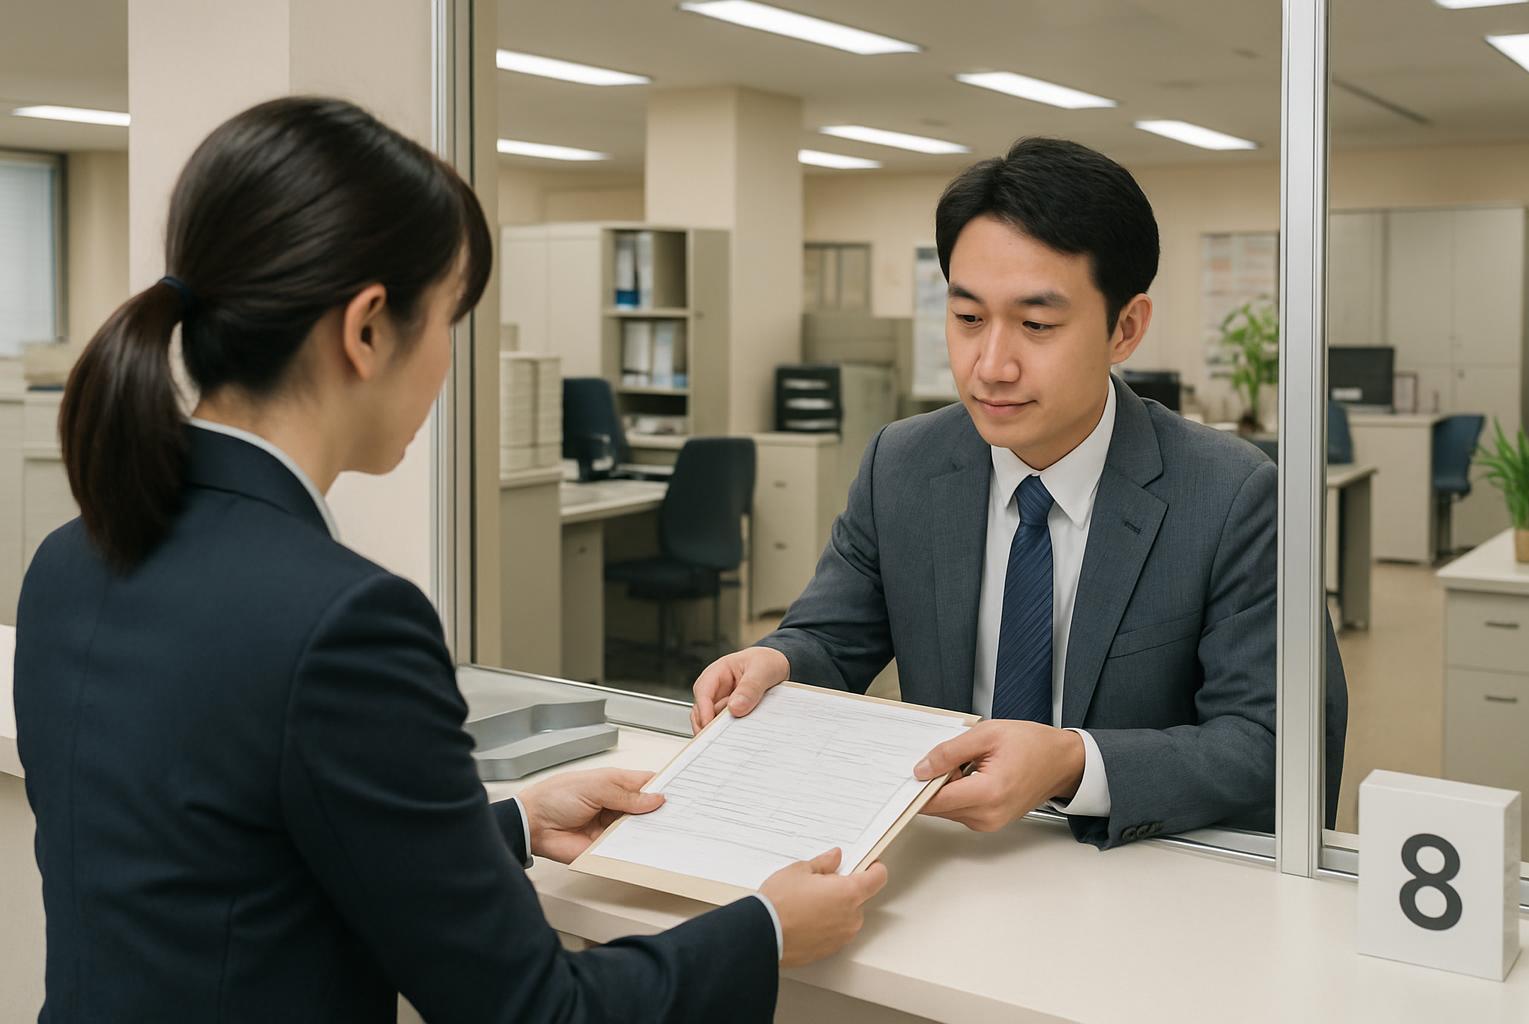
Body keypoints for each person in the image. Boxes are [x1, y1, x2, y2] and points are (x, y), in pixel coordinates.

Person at [13, 96, 885, 1023]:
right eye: (447, 321)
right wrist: (766, 928)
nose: (447, 362)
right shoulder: (343, 622)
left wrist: (507, 823)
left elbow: (227, 857)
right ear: (367, 328)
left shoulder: (70, 560)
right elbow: (535, 1013)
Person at [693, 137, 1347, 849]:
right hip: (950, 858)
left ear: (1124, 328)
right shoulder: (903, 465)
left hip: (1135, 869)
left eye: (1036, 325)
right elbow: (831, 636)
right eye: (968, 318)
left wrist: (1074, 763)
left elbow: (1276, 745)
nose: (991, 365)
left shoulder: (1231, 497)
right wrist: (777, 662)